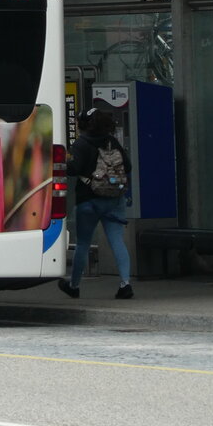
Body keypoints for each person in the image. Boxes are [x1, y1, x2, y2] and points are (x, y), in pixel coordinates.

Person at [58, 107, 134, 299]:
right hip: (114, 199)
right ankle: (125, 284)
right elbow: (128, 166)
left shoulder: (81, 144)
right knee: (117, 241)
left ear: (83, 124)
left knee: (83, 243)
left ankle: (74, 286)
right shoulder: (113, 141)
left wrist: (64, 158)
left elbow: (73, 169)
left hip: (88, 201)